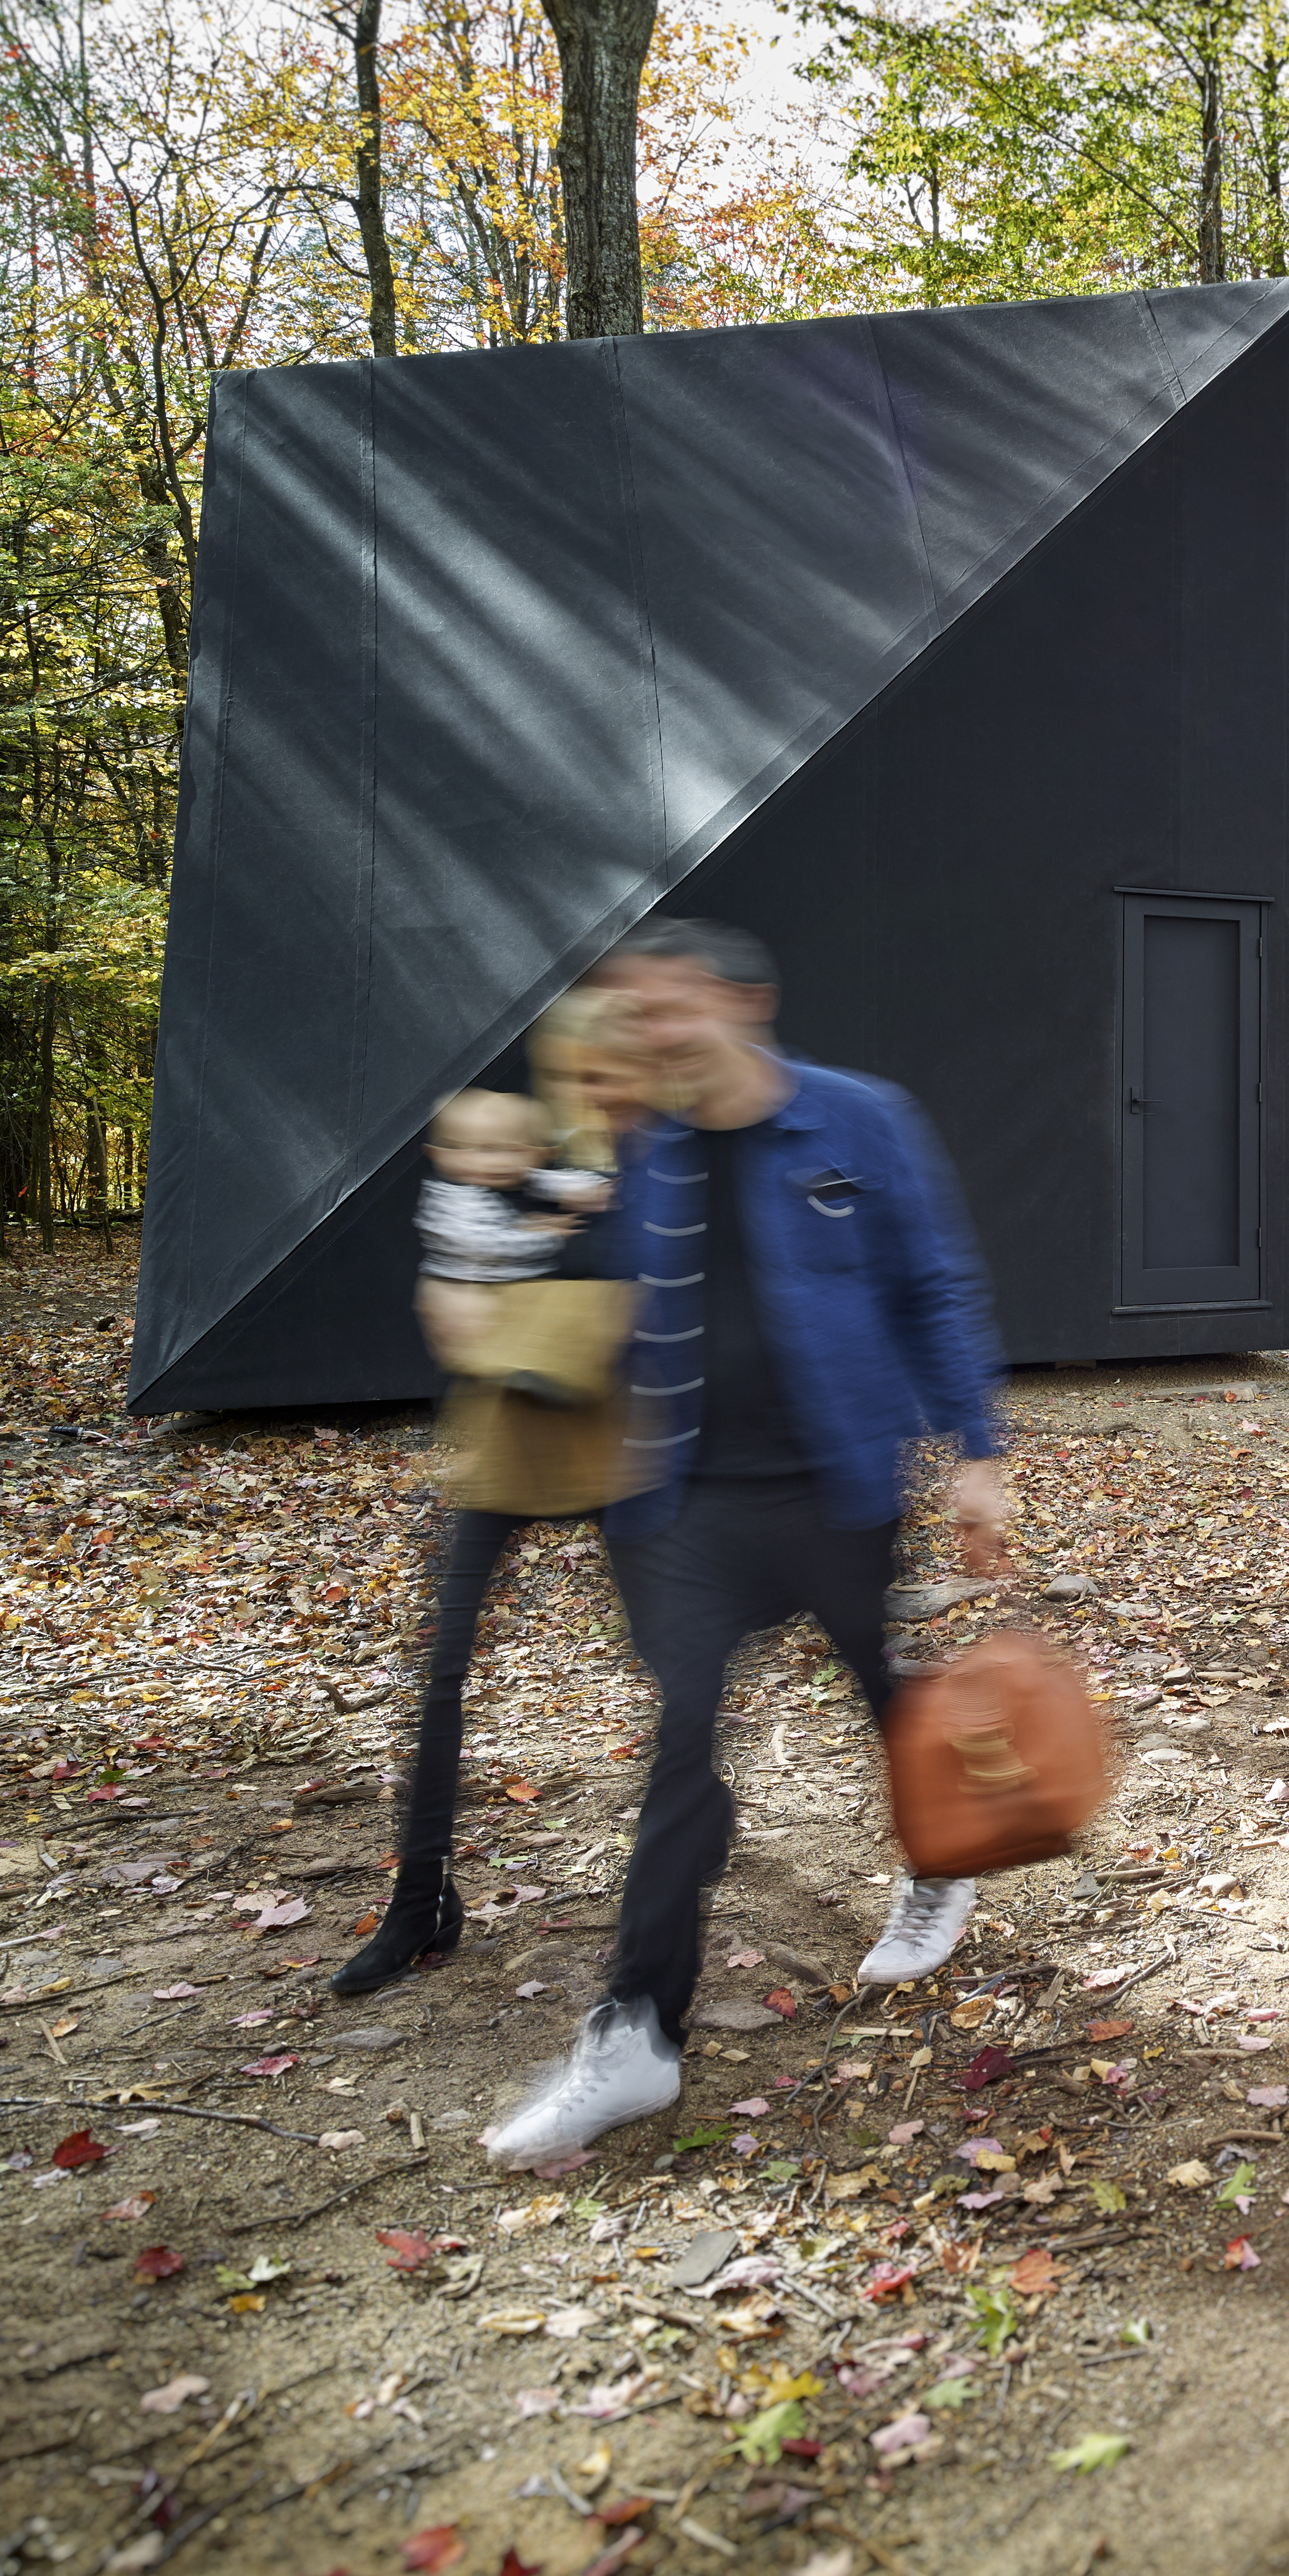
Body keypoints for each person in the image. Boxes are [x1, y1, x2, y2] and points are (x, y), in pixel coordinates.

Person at [483, 915, 1016, 2169]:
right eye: (632, 1014)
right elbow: (561, 1302)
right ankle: (633, 2035)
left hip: (836, 1482)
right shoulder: (633, 1145)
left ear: (744, 1000)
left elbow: (931, 1280)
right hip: (680, 1499)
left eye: (670, 1008)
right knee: (681, 1747)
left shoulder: (856, 1119)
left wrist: (977, 1452)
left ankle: (943, 1857)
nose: (651, 1033)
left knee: (883, 1690)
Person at [335, 999, 654, 2000]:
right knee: (439, 1673)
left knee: (670, 1661)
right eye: (578, 1067)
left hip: (615, 1443)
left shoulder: (663, 1172)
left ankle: (691, 1840)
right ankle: (419, 1901)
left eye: (611, 1068)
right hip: (502, 1439)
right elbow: (460, 1288)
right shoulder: (515, 1159)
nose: (593, 1085)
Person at [411, 1086, 608, 1387]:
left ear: (540, 1153)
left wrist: (590, 1190)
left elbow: (547, 1179)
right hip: (469, 1286)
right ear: (439, 1154)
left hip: (517, 1286)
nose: (495, 1163)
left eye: (512, 1149)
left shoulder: (518, 1176)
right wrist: (542, 1234)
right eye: (478, 1149)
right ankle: (497, 1371)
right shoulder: (451, 1196)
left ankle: (537, 1375)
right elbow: (478, 1242)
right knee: (470, 1312)